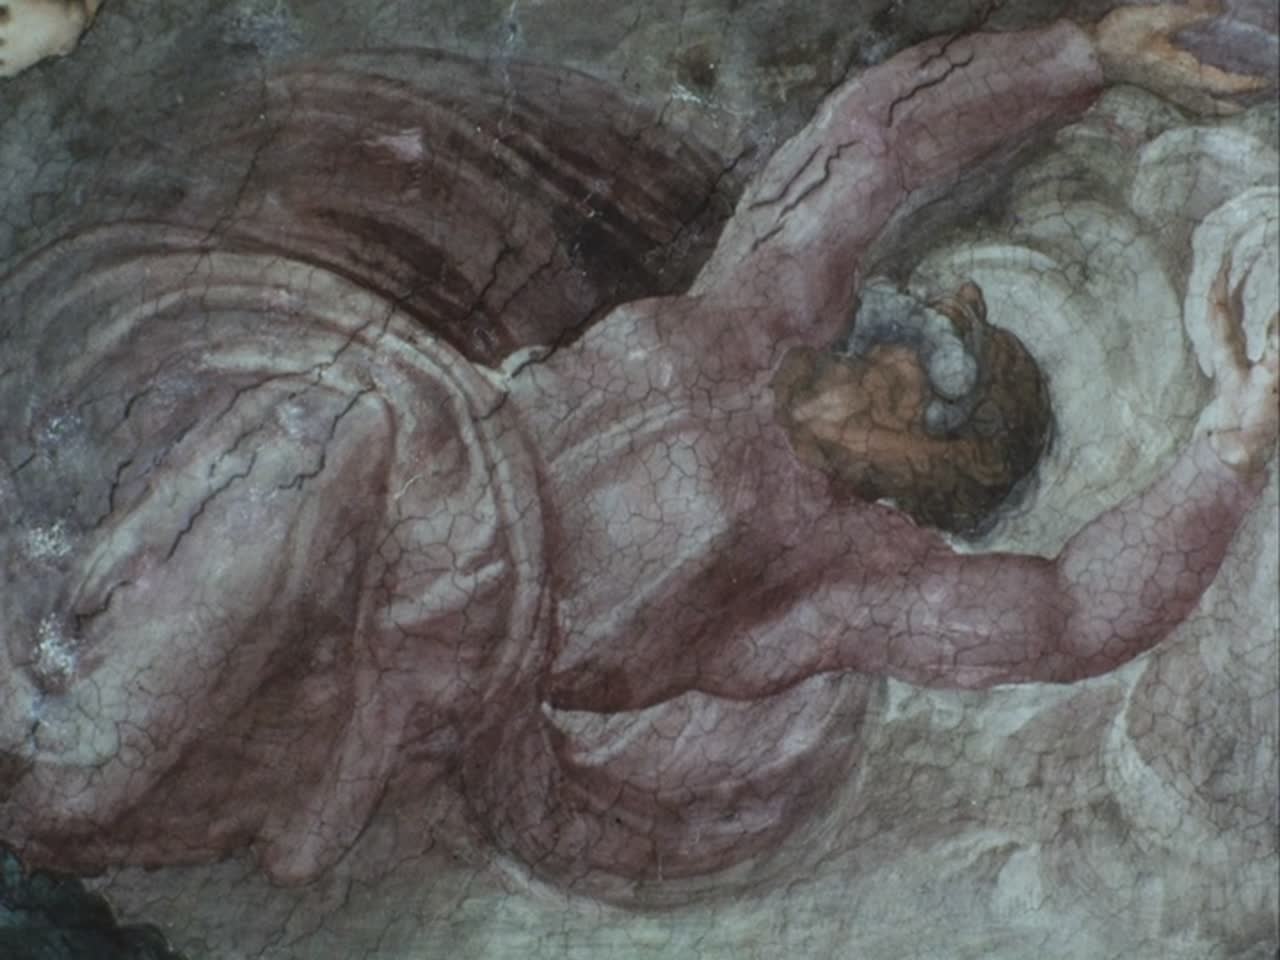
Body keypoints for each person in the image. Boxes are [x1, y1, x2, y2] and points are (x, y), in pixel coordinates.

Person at [0, 9, 1273, 896]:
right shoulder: (762, 308)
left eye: (923, 375)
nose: (885, 341)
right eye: (907, 329)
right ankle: (54, 709)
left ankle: (70, 761)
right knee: (307, 440)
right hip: (419, 460)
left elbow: (1064, 615)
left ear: (928, 465)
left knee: (324, 448)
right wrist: (1080, 53)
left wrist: (1229, 440)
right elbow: (873, 143)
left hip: (448, 637)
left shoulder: (834, 577)